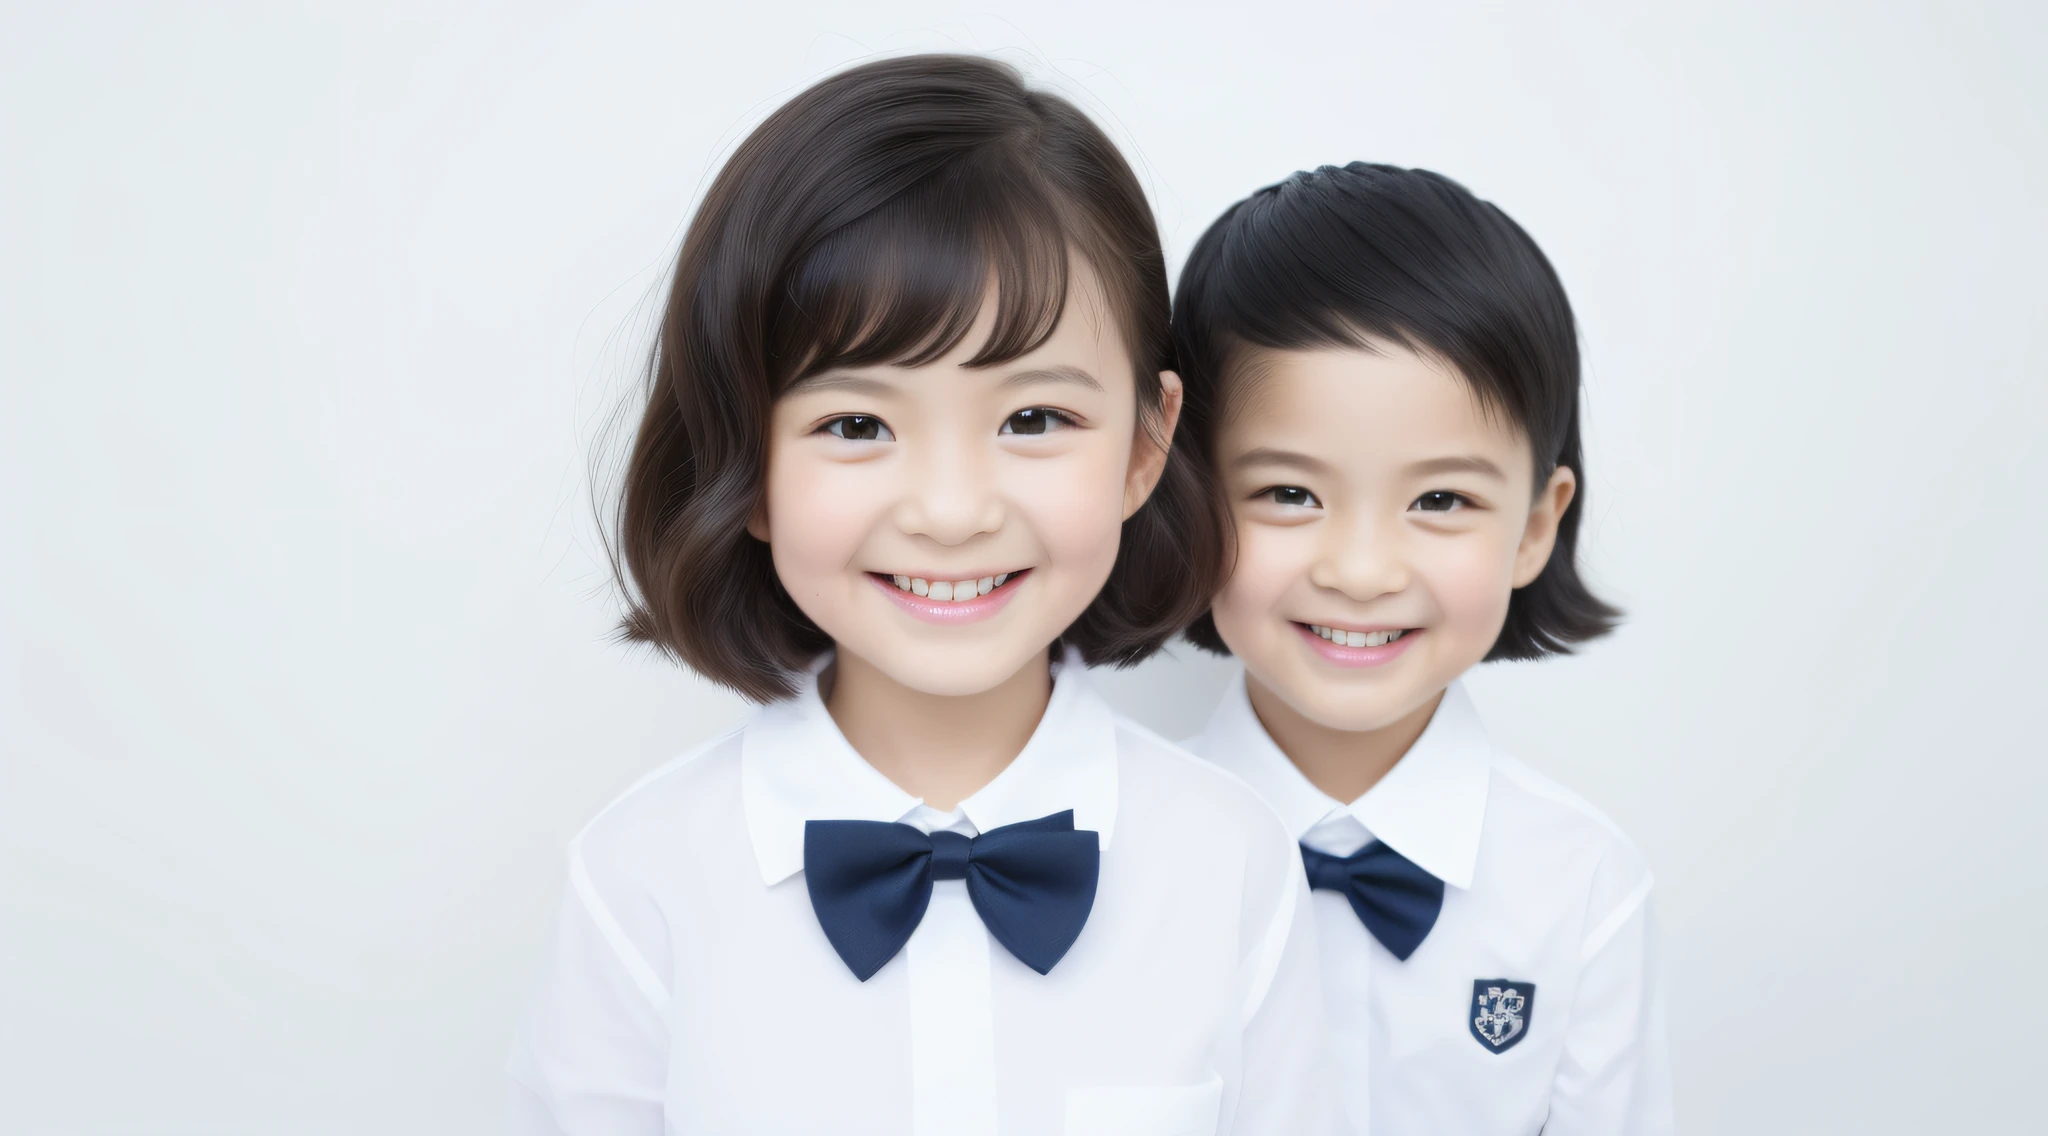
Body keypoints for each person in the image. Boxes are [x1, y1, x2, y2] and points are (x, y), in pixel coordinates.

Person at [506, 55, 1340, 1136]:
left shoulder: (1233, 857)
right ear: (744, 462)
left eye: (1033, 419)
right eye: (856, 425)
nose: (950, 510)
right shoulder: (641, 878)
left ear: (1145, 443)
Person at [1175, 162, 1674, 1135]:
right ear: (1185, 494)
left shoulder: (1579, 886)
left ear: (1534, 526)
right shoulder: (1104, 856)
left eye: (1438, 499)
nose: (1360, 570)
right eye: (1288, 492)